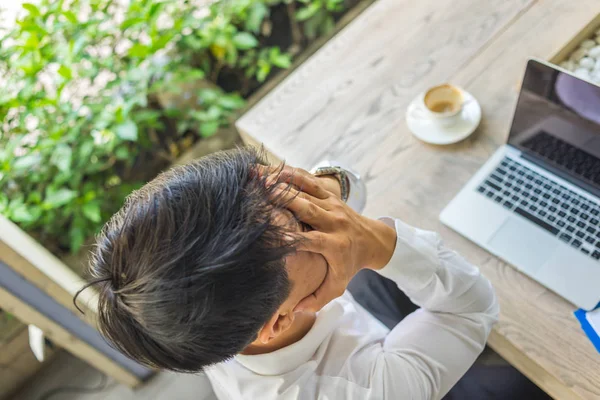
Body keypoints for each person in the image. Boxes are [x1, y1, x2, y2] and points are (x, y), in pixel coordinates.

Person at [76, 147, 549, 399]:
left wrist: (329, 184)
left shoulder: (196, 306)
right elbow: (473, 308)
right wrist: (380, 243)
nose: (327, 214)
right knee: (529, 378)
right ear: (276, 322)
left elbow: (337, 198)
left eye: (285, 192)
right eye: (308, 224)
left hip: (349, 322)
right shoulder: (367, 391)